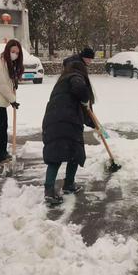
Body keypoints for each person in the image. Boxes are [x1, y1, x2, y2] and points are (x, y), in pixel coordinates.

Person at [42, 60, 95, 205]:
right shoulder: (75, 77)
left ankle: (51, 189)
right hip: (68, 122)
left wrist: (93, 123)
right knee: (74, 153)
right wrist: (85, 99)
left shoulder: (61, 82)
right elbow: (80, 90)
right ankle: (67, 185)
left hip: (52, 121)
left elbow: (83, 109)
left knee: (56, 155)